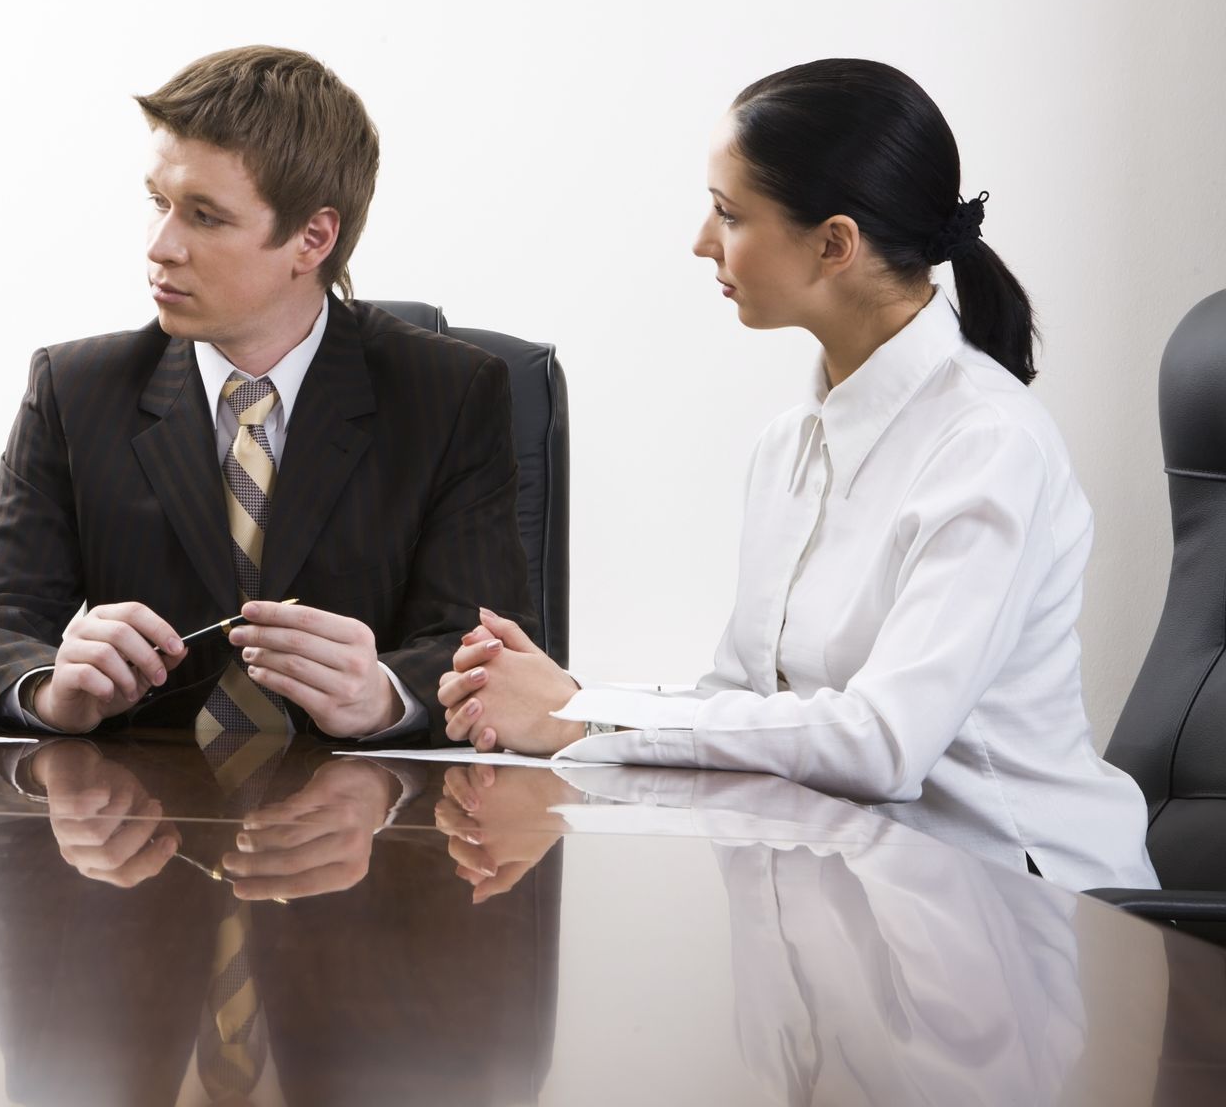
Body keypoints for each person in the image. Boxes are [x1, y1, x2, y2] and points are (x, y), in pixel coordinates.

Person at [437, 59, 1156, 890]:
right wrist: (571, 698)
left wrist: (577, 716)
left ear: (835, 244)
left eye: (728, 213)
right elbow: (741, 700)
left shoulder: (988, 446)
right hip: (846, 894)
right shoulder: (789, 447)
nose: (702, 241)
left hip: (1014, 912)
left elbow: (883, 744)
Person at [0, 45, 535, 740]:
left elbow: (491, 651)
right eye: (157, 203)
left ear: (312, 237)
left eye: (204, 216)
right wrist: (50, 690)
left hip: (367, 826)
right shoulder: (76, 391)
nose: (160, 245)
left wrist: (384, 697)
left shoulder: (449, 395)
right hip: (137, 826)